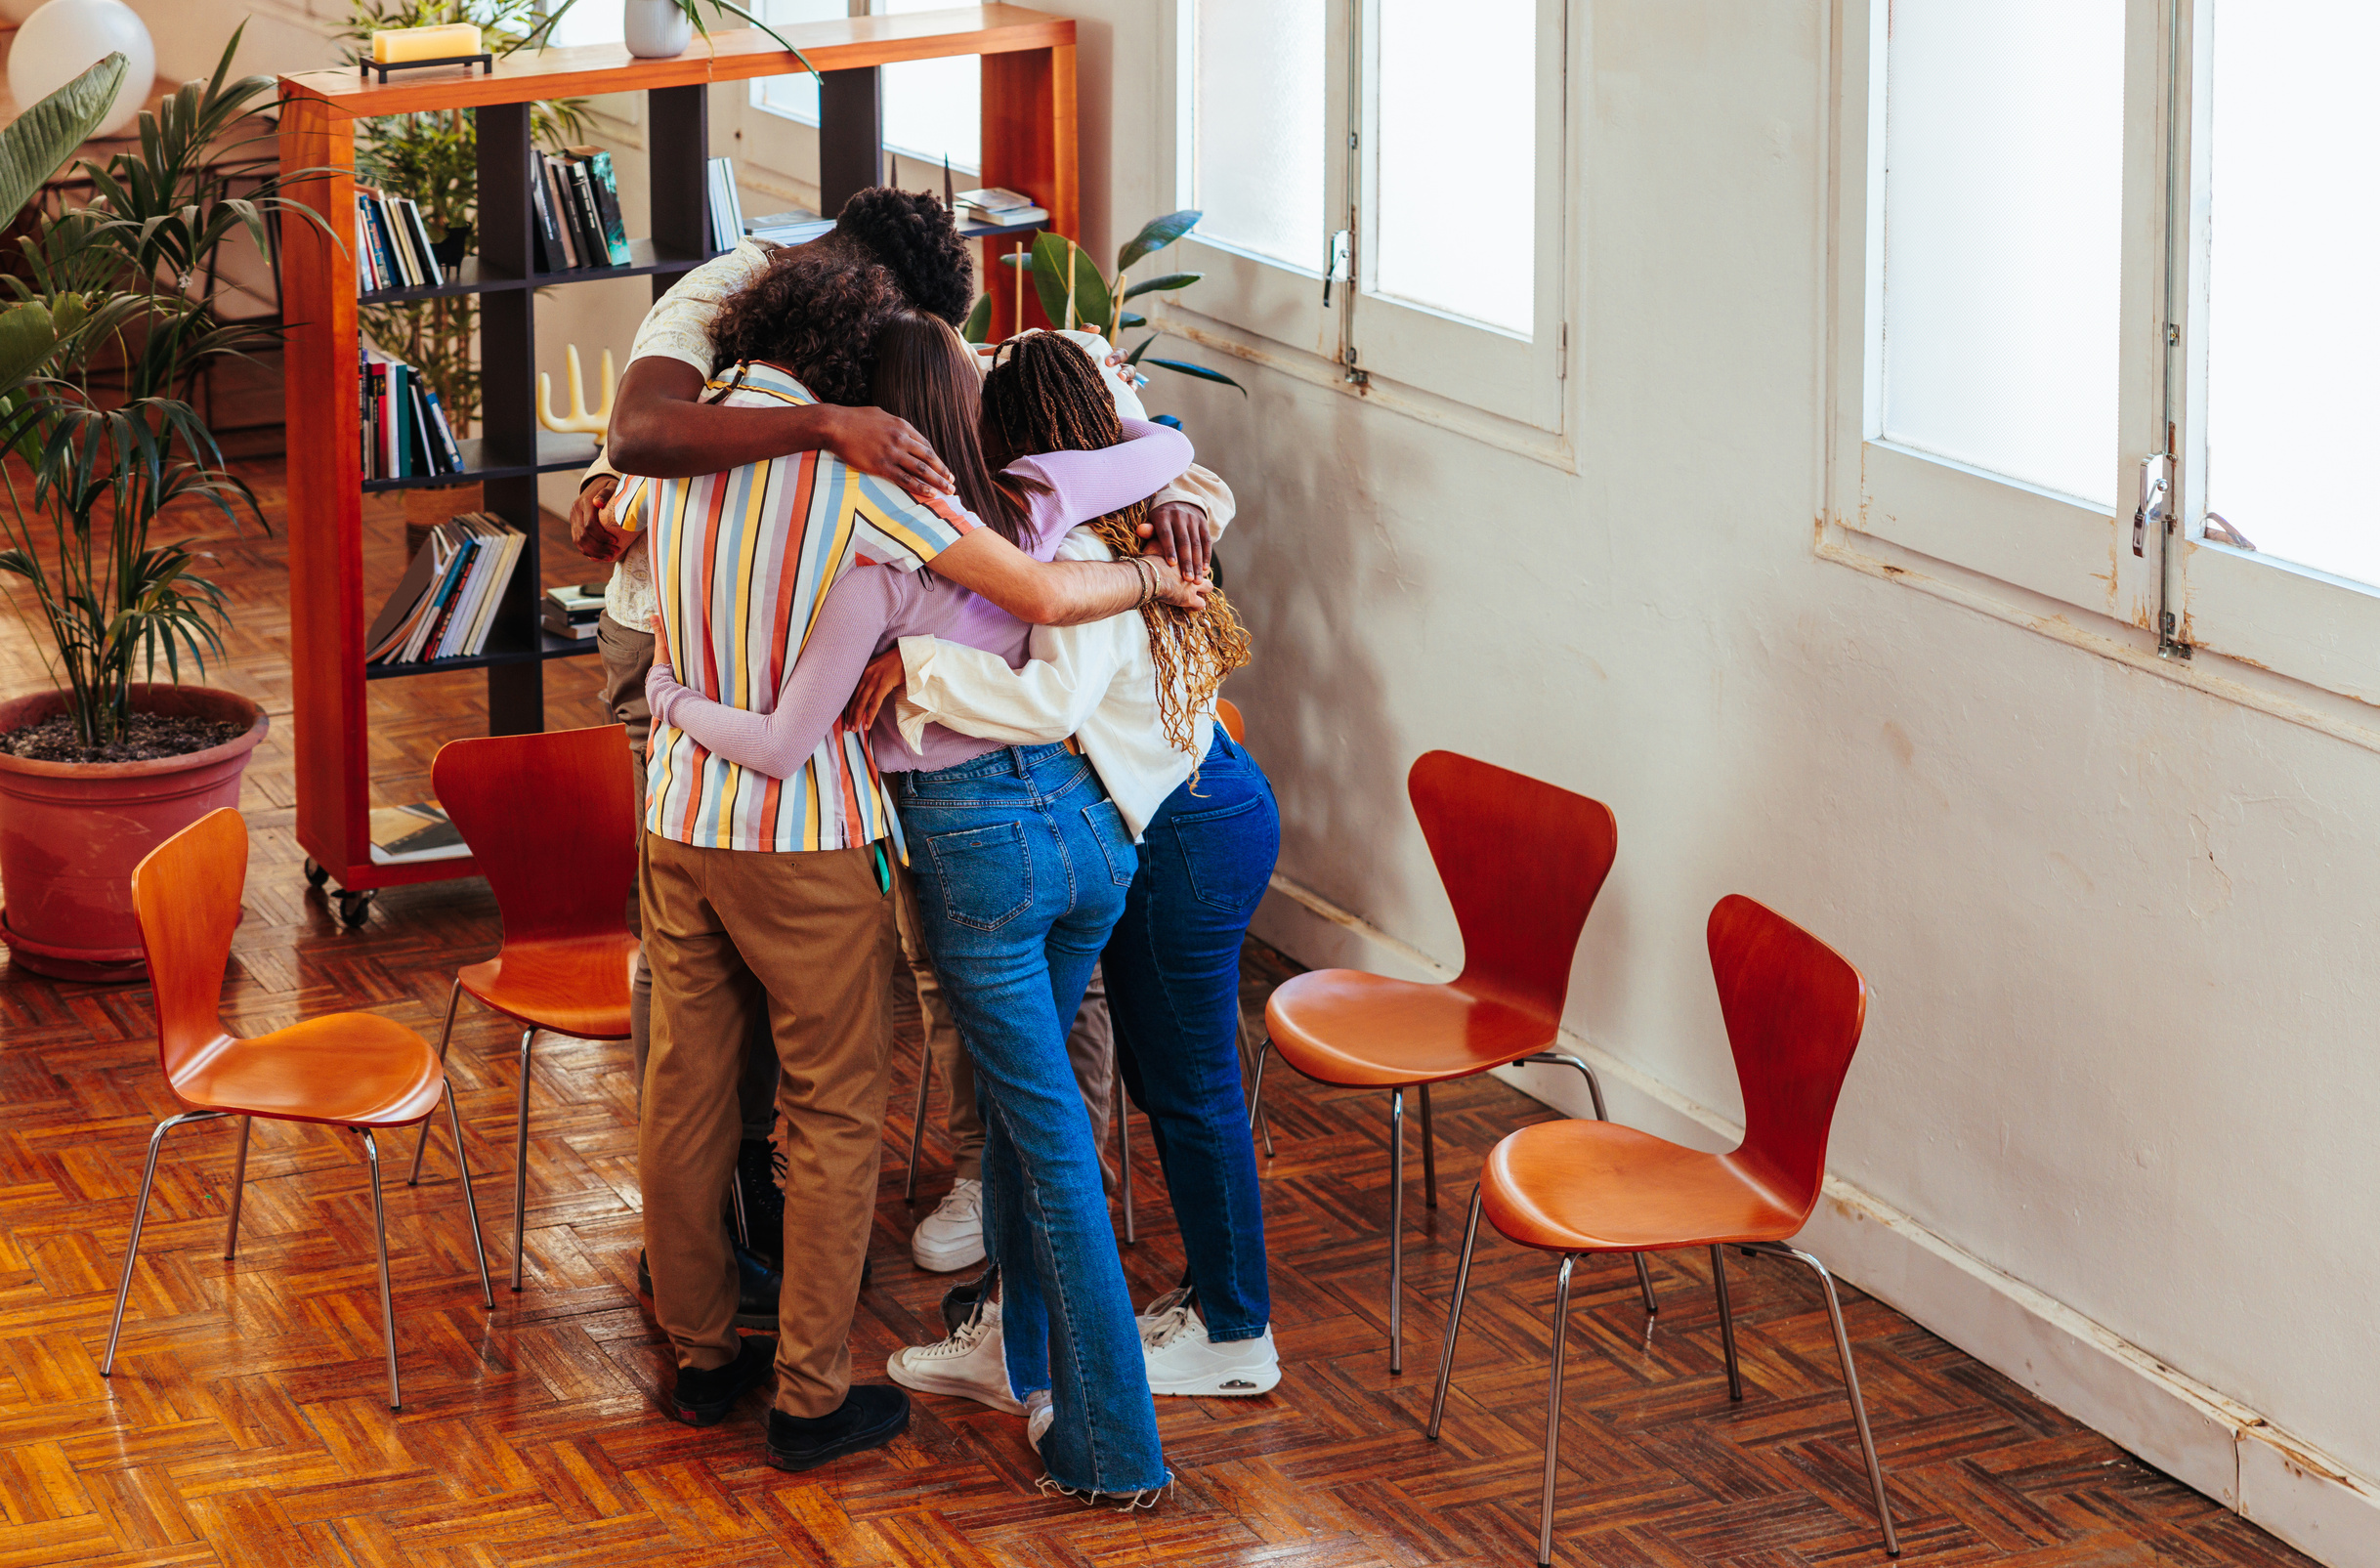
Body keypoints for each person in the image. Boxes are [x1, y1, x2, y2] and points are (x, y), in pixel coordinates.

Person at [619, 252, 1208, 1473]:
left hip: (678, 816)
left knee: (685, 1088)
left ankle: (700, 1355)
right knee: (832, 1107)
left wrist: (676, 700)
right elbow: (1037, 588)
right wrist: (1155, 572)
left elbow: (628, 563)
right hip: (802, 837)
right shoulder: (857, 474)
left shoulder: (672, 456)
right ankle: (809, 1396)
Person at [883, 330, 1282, 1397]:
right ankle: (1046, 1325)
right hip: (1198, 807)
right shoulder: (1127, 502)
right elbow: (1179, 456)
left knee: (1188, 1081)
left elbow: (1050, 701)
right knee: (1144, 1079)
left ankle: (1236, 1333)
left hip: (1190, 827)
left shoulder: (1085, 544)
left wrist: (911, 668)